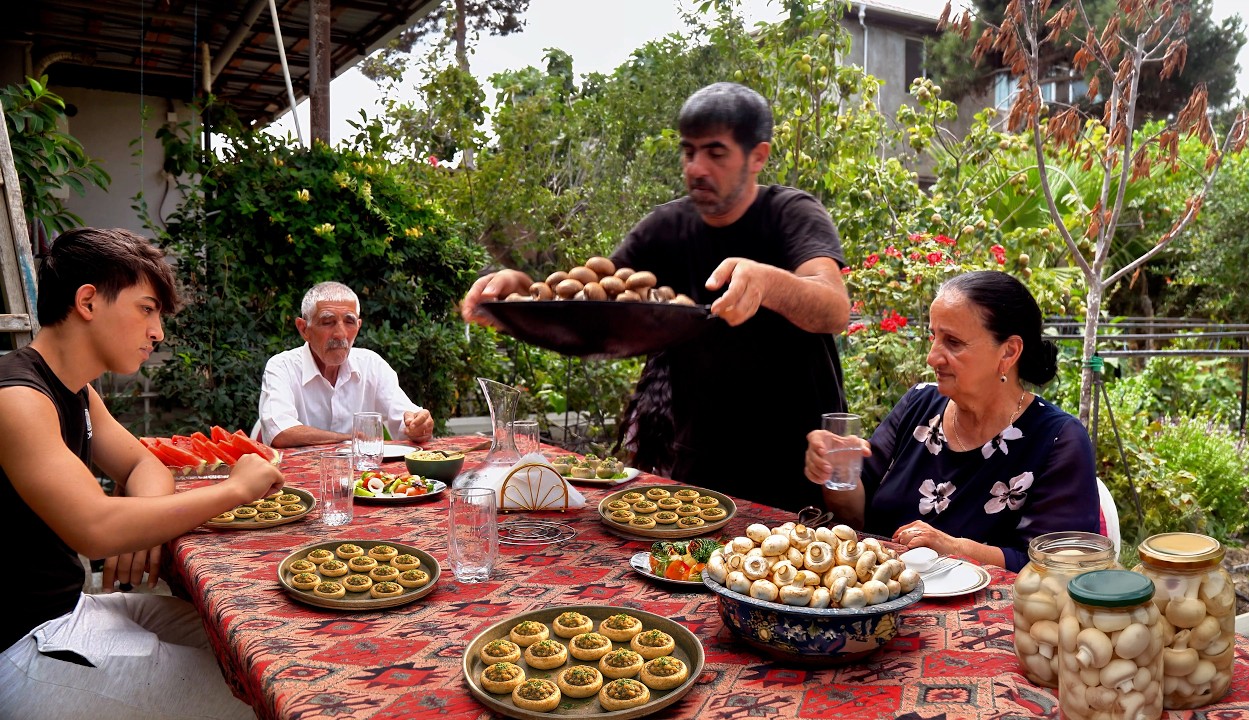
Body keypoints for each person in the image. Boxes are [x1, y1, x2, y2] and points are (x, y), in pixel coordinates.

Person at [462, 82, 850, 511]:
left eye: (715, 153)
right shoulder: (665, 229)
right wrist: (520, 294)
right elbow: (597, 308)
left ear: (758, 156)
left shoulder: (791, 213)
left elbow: (833, 308)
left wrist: (768, 282)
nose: (696, 167)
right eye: (689, 152)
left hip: (796, 465)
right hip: (700, 468)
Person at [0, 227, 284, 719]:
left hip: (72, 610)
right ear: (88, 301)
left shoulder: (76, 391)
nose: (158, 332)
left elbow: (140, 463)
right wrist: (235, 490)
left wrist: (142, 519)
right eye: (147, 309)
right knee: (262, 700)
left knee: (253, 644)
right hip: (25, 644)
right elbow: (95, 529)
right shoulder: (18, 399)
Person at [803, 270, 1099, 572]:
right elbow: (855, 520)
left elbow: (1058, 568)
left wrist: (955, 548)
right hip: (880, 602)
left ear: (1009, 352)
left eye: (953, 342)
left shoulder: (1057, 439)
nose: (932, 357)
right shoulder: (918, 404)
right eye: (934, 337)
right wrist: (837, 469)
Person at [257, 281, 435, 448]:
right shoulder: (282, 367)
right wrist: (348, 440)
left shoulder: (372, 365)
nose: (340, 334)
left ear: (358, 326)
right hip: (295, 479)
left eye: (349, 322)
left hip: (364, 478)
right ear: (304, 329)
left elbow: (408, 421)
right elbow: (280, 432)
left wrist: (419, 426)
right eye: (327, 322)